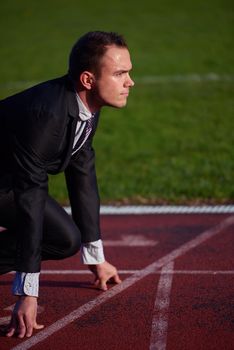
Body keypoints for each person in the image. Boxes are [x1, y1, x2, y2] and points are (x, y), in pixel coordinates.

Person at [0, 31, 134, 338]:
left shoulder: (88, 104)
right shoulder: (44, 116)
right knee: (49, 228)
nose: (130, 82)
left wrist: (96, 258)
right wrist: (27, 293)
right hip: (8, 184)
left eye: (129, 72)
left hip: (9, 181)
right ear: (88, 79)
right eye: (120, 73)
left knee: (65, 239)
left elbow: (82, 175)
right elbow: (30, 200)